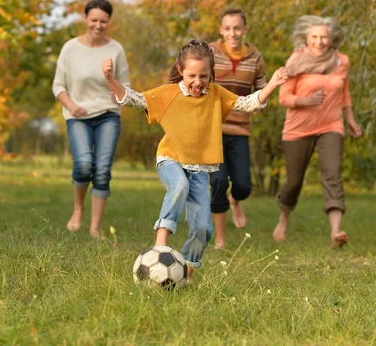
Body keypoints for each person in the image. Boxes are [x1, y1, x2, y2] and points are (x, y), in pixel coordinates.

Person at [102, 40, 288, 277]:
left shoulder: (216, 95)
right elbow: (135, 99)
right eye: (191, 75)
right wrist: (111, 79)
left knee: (203, 228)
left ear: (212, 74)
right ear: (180, 71)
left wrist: (272, 84)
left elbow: (246, 103)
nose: (198, 82)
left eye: (204, 76)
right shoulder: (168, 94)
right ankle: (161, 243)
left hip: (200, 168)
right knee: (179, 185)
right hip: (170, 159)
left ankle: (186, 273)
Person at [272, 15, 362, 247]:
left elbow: (345, 93)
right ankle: (284, 218)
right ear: (306, 38)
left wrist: (350, 120)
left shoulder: (342, 61)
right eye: (314, 37)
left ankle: (336, 232)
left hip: (331, 125)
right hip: (298, 128)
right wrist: (307, 100)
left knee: (332, 173)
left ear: (332, 39)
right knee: (294, 181)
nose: (320, 41)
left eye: (324, 37)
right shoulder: (296, 60)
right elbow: (283, 97)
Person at [52, 0, 130, 238]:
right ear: (85, 19)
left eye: (103, 21)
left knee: (103, 169)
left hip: (107, 114)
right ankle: (78, 208)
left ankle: (95, 227)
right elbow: (58, 86)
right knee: (84, 164)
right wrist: (72, 106)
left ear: (109, 22)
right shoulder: (70, 48)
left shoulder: (115, 50)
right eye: (93, 20)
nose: (98, 25)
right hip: (78, 115)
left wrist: (114, 87)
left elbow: (126, 89)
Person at [209, 8, 267, 249]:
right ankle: (220, 240)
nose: (233, 33)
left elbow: (262, 88)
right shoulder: (210, 52)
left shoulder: (255, 56)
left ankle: (236, 201)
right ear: (221, 30)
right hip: (212, 130)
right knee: (219, 181)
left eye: (237, 28)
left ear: (245, 29)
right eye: (227, 28)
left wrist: (261, 102)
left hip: (240, 130)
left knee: (243, 185)